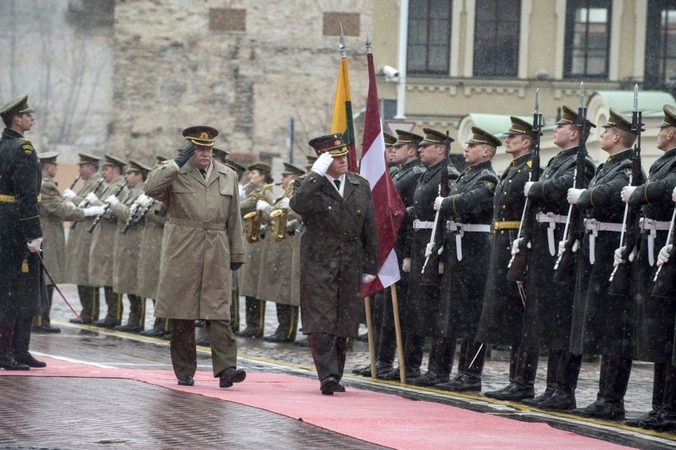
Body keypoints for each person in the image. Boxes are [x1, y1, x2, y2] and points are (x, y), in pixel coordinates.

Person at [145, 125, 246, 388]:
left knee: (218, 311)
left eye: (208, 148)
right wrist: (176, 164)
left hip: (216, 247)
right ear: (189, 150)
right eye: (199, 149)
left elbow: (234, 217)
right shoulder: (175, 173)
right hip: (183, 248)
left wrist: (237, 252)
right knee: (182, 313)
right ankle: (185, 370)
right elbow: (150, 188)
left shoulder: (227, 175)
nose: (205, 153)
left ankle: (227, 369)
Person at [289, 132, 379, 395]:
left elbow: (369, 228)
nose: (344, 161)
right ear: (322, 160)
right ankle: (326, 374)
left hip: (350, 261)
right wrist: (314, 176)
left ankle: (336, 374)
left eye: (345, 155)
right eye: (336, 157)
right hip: (319, 261)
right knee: (322, 321)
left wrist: (371, 266)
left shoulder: (358, 185)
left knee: (344, 321)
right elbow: (297, 204)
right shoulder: (307, 185)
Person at [519, 105, 596, 411]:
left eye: (560, 126)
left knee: (562, 319)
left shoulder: (581, 162)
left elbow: (562, 190)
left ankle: (564, 389)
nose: (555, 129)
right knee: (548, 320)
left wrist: (537, 187)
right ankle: (553, 387)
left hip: (561, 246)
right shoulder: (558, 160)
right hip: (546, 245)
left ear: (574, 133)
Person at [565, 109, 639, 420]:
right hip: (597, 249)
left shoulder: (628, 167)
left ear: (618, 136)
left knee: (613, 327)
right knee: (597, 324)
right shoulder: (611, 164)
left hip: (612, 250)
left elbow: (608, 195)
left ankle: (611, 399)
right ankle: (602, 396)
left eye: (606, 129)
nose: (602, 133)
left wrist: (584, 196)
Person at [380, 130, 460, 384]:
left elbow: (447, 219)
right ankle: (408, 365)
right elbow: (415, 217)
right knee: (413, 311)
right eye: (421, 146)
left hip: (434, 247)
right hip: (419, 245)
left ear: (441, 149)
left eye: (427, 146)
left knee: (430, 311)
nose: (422, 149)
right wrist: (407, 253)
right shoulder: (426, 174)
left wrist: (442, 256)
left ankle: (430, 369)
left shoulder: (448, 175)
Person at [621, 104, 676, 430]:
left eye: (661, 130)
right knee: (659, 338)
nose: (658, 134)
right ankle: (660, 406)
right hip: (653, 248)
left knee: (665, 336)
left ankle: (667, 408)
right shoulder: (664, 162)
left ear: (671, 134)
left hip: (665, 251)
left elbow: (662, 190)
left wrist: (639, 192)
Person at [432, 126, 499, 392]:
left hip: (474, 251)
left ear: (486, 151)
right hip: (457, 249)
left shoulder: (488, 177)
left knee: (472, 315)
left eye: (472, 146)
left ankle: (470, 375)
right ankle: (446, 372)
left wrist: (447, 204)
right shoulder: (464, 175)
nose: (466, 149)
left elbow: (475, 201)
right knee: (452, 313)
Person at [354, 129, 424, 378]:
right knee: (382, 310)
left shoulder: (415, 175)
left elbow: (406, 215)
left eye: (400, 147)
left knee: (399, 312)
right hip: (387, 248)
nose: (393, 150)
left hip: (399, 246)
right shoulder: (396, 173)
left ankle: (401, 364)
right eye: (392, 147)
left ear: (412, 151)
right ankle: (380, 360)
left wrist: (405, 250)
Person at [478, 117, 540, 400]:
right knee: (512, 317)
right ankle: (515, 380)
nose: (507, 140)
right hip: (504, 244)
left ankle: (524, 382)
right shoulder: (514, 168)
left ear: (526, 142)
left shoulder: (530, 168)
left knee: (523, 314)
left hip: (518, 244)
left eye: (512, 137)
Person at [0, 94, 46, 370]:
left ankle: (15, 349)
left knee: (7, 288)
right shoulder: (23, 150)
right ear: (17, 119)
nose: (32, 118)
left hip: (3, 224)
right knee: (20, 290)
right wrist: (33, 233)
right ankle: (11, 351)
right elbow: (27, 195)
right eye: (28, 115)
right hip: (18, 225)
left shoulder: (2, 146)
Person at [34, 152, 103, 333]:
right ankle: (40, 321)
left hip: (47, 231)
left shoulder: (39, 181)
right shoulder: (45, 185)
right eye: (54, 166)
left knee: (46, 278)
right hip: (48, 233)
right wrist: (85, 212)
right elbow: (58, 209)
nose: (56, 169)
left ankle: (42, 319)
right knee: (46, 278)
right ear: (48, 167)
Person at [258, 162, 304, 343]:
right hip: (279, 248)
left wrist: (267, 209)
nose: (282, 180)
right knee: (279, 291)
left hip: (289, 248)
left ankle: (288, 330)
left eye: (285, 176)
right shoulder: (284, 196)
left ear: (293, 179)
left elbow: (284, 214)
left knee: (287, 292)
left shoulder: (297, 196)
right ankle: (281, 327)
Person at [109, 160, 152, 333]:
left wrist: (115, 205)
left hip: (136, 242)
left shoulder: (143, 192)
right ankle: (132, 319)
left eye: (130, 173)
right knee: (127, 281)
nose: (125, 176)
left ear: (139, 176)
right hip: (126, 242)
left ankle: (138, 319)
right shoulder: (132, 192)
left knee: (135, 283)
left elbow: (131, 216)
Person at [87, 155, 130, 328]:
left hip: (111, 238)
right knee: (105, 277)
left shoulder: (119, 187)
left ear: (116, 170)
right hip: (104, 238)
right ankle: (110, 314)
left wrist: (96, 202)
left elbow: (110, 213)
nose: (103, 172)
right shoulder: (110, 186)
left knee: (111, 278)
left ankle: (114, 315)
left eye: (106, 169)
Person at [236, 161, 276, 338]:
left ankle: (256, 325)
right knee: (249, 285)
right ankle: (251, 324)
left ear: (262, 176)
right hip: (250, 243)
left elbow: (241, 208)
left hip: (258, 244)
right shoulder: (253, 193)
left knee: (254, 285)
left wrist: (234, 199)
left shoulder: (263, 194)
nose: (250, 176)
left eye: (253, 173)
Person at [64, 153, 104, 324]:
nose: (79, 170)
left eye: (82, 166)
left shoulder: (97, 183)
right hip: (80, 234)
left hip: (88, 235)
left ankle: (91, 312)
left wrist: (75, 198)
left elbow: (96, 206)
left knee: (87, 276)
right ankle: (85, 311)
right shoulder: (87, 183)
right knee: (81, 275)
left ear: (91, 167)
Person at [138, 156, 170, 338]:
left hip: (161, 243)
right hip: (151, 244)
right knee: (151, 284)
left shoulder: (168, 192)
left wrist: (148, 211)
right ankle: (158, 322)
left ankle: (164, 324)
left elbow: (165, 218)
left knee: (162, 287)